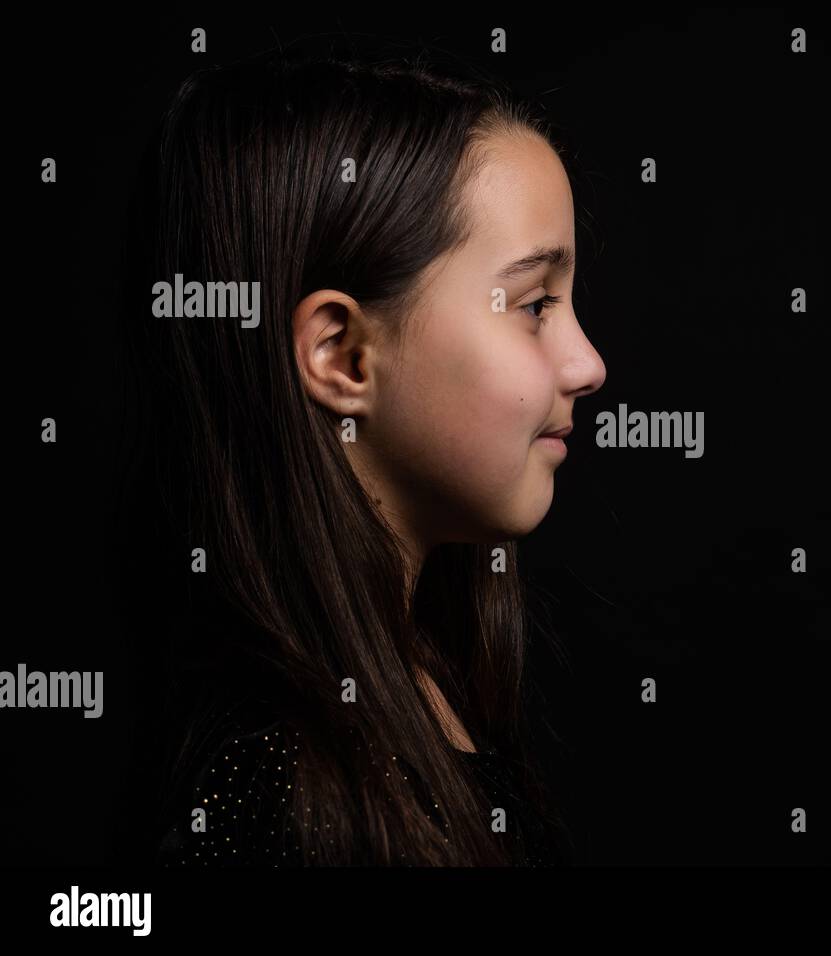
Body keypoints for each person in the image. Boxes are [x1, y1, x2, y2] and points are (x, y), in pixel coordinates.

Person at [114, 42, 606, 866]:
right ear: (343, 357)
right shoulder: (272, 806)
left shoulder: (426, 682)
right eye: (533, 305)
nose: (588, 364)